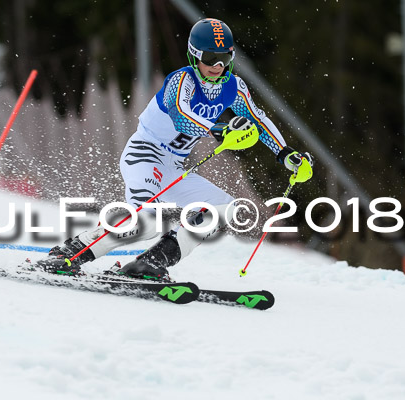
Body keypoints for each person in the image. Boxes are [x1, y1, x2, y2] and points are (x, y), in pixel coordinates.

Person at [36, 18, 313, 281]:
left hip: (174, 166)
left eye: (224, 59)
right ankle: (70, 254)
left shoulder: (234, 87)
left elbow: (258, 119)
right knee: (146, 223)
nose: (217, 66)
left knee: (225, 209)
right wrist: (220, 130)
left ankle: (151, 262)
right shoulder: (181, 81)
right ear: (194, 55)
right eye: (209, 59)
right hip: (145, 155)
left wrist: (285, 154)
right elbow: (181, 115)